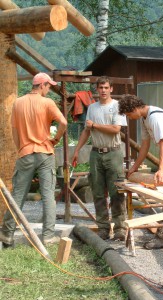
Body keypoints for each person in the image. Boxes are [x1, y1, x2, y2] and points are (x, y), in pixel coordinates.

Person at [0, 72, 67, 247]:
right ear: (42, 85)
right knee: (48, 196)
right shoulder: (47, 103)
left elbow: (14, 131)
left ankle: (7, 234)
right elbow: (64, 123)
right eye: (49, 86)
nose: (49, 90)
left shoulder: (18, 103)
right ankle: (48, 237)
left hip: (25, 153)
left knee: (17, 195)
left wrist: (20, 147)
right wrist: (56, 139)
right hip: (45, 153)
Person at [119, 94, 163, 249]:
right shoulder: (145, 119)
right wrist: (134, 168)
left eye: (129, 114)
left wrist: (162, 170)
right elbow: (144, 146)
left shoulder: (155, 118)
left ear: (135, 108)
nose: (130, 118)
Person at [72, 76, 127, 241]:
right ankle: (103, 228)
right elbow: (86, 131)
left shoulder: (117, 106)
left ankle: (120, 229)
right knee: (97, 192)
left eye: (106, 87)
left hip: (113, 152)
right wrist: (76, 151)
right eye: (100, 87)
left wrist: (94, 125)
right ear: (97, 90)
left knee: (117, 191)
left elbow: (116, 129)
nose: (103, 90)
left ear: (111, 89)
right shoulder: (92, 108)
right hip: (96, 153)